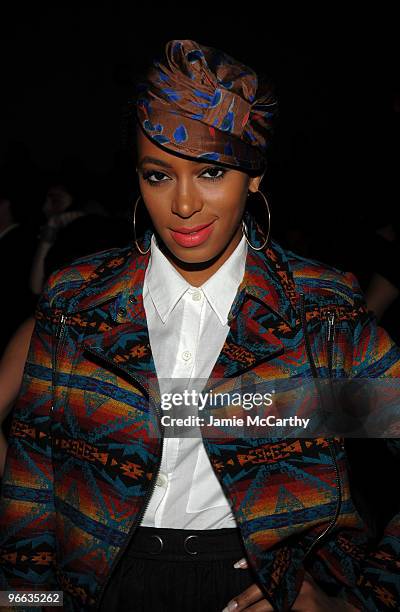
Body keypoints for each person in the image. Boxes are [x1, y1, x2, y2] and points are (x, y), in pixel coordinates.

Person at [0, 39, 399, 612]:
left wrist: (355, 601)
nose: (184, 204)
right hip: (92, 592)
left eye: (212, 171)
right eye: (159, 175)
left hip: (249, 589)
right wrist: (27, 604)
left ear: (254, 175)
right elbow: (30, 486)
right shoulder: (77, 297)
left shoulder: (319, 308)